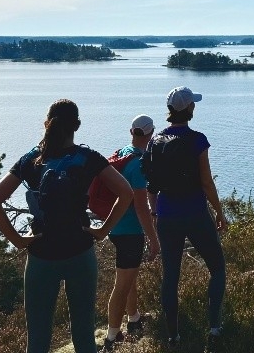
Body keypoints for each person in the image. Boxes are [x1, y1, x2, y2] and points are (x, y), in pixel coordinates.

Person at [0, 99, 134, 353]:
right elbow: (126, 193)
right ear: (76, 125)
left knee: (39, 339)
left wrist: (18, 240)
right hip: (80, 253)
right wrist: (102, 230)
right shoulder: (88, 157)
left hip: (41, 255)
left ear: (47, 124)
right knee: (84, 336)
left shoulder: (31, 159)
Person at [147, 86, 228, 351]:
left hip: (167, 216)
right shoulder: (197, 140)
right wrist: (219, 210)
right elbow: (206, 181)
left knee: (171, 276)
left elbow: (151, 185)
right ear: (189, 108)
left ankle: (173, 336)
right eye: (193, 104)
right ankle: (214, 327)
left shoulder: (155, 141)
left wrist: (156, 212)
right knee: (216, 267)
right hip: (195, 213)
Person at [99, 115, 161, 351]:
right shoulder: (139, 163)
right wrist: (153, 239)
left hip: (115, 226)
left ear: (132, 132)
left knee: (129, 277)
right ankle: (112, 338)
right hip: (129, 231)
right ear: (150, 134)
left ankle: (134, 319)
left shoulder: (123, 152)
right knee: (122, 284)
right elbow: (140, 206)